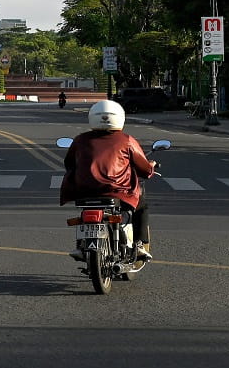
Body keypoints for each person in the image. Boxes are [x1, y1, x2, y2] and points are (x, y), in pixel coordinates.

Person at [58, 99, 158, 260]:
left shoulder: (80, 140)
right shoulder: (126, 140)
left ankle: (81, 246)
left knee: (85, 212)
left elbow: (69, 164)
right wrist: (151, 166)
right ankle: (139, 244)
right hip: (117, 192)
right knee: (142, 206)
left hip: (84, 191)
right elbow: (145, 170)